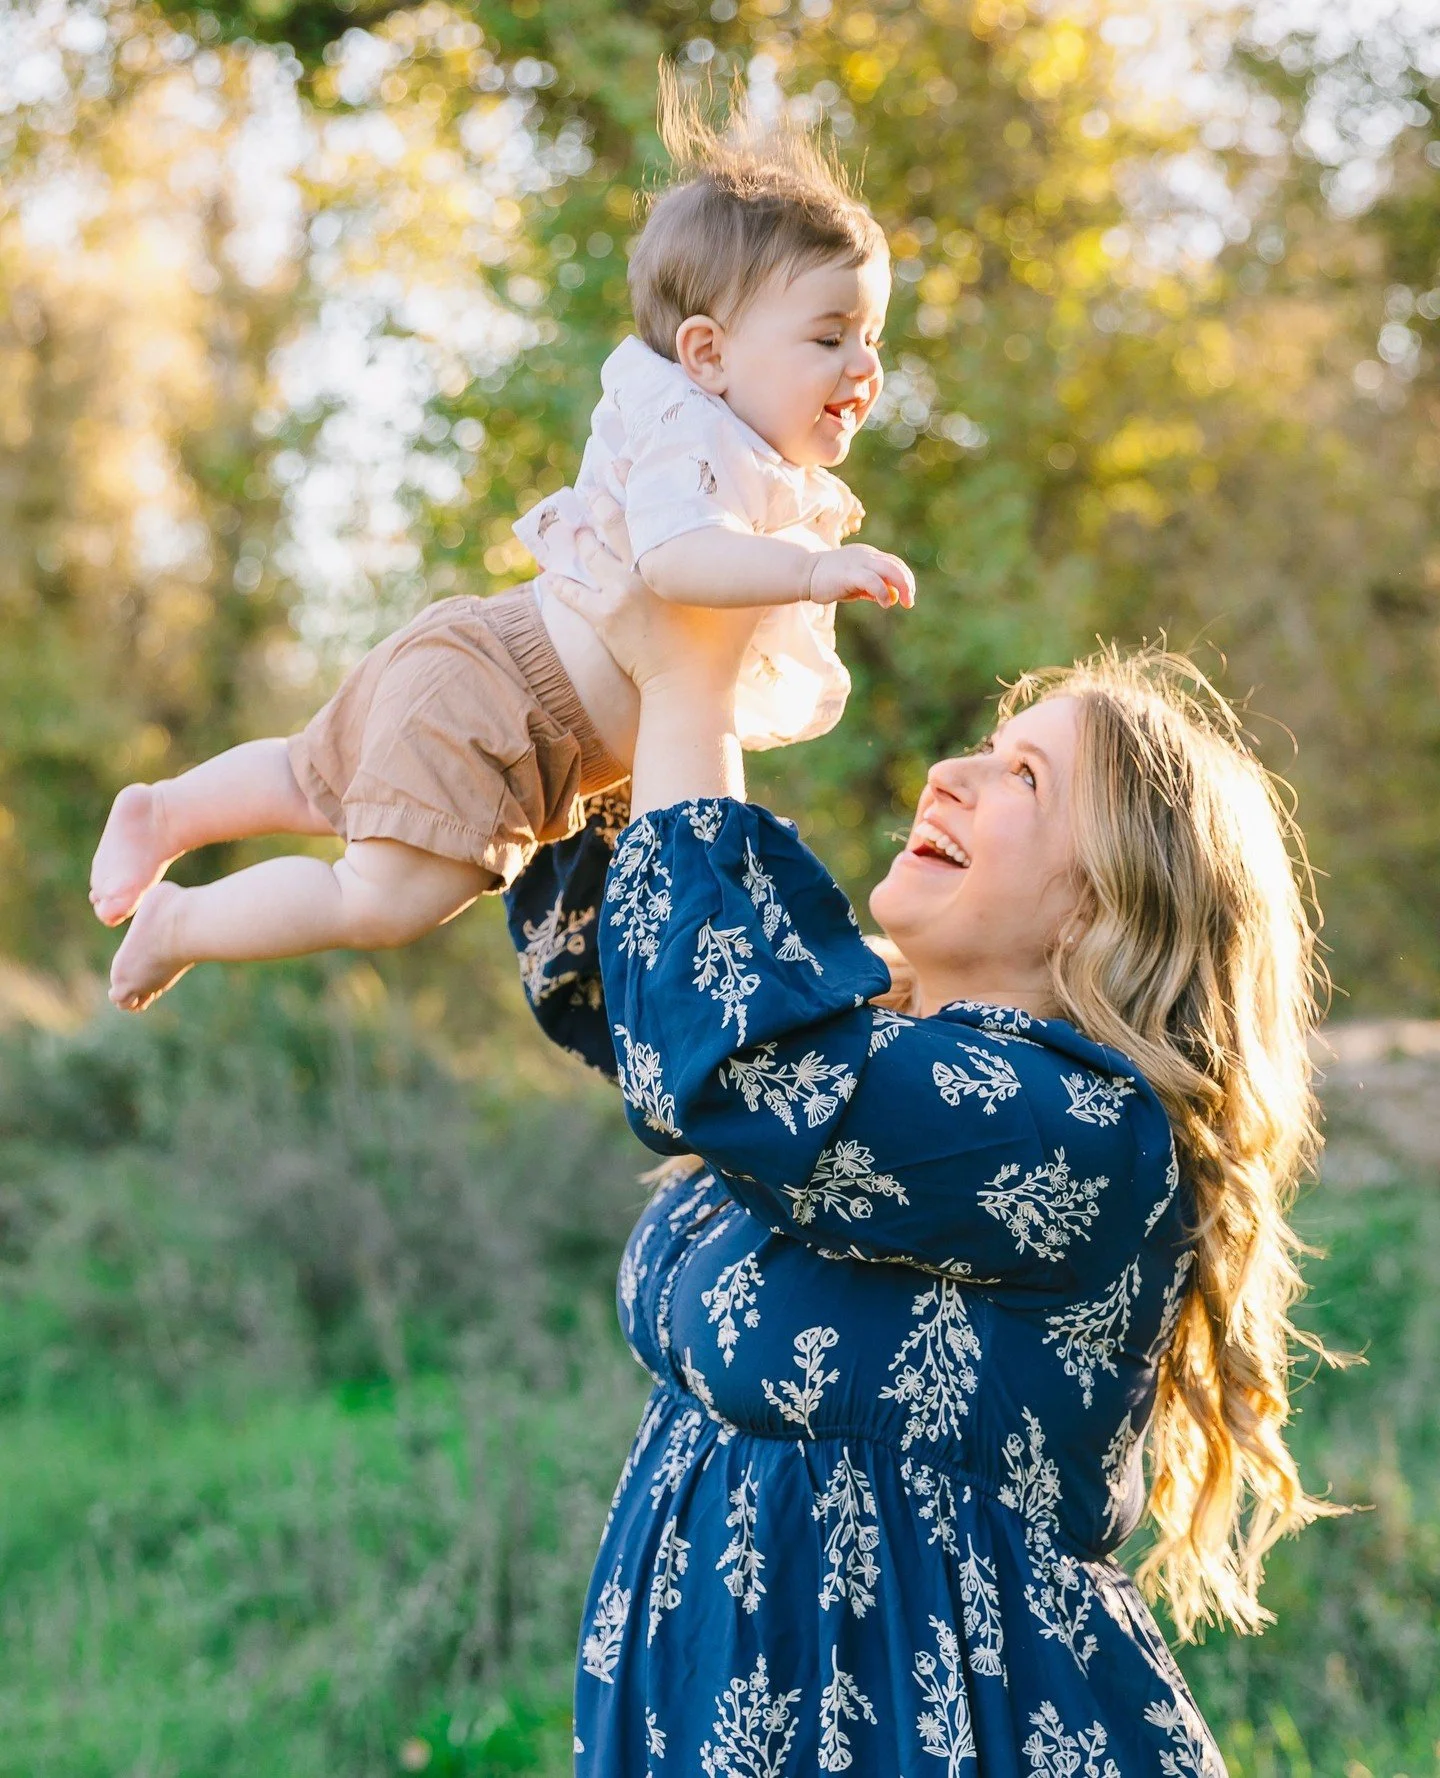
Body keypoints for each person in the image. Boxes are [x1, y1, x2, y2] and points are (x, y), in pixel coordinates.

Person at [500, 499, 1333, 1773]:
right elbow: (623, 986)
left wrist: (694, 690)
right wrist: (626, 660)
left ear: (1111, 900)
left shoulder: (1087, 1131)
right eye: (986, 747)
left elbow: (736, 1062)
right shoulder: (863, 1050)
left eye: (1026, 779)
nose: (954, 772)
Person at [87, 72, 913, 1013]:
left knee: (308, 778)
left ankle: (168, 809)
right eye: (830, 336)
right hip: (508, 705)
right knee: (381, 898)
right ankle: (181, 922)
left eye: (873, 335)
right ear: (708, 353)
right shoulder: (692, 440)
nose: (865, 365)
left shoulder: (729, 448)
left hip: (484, 662)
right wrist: (810, 570)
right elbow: (678, 562)